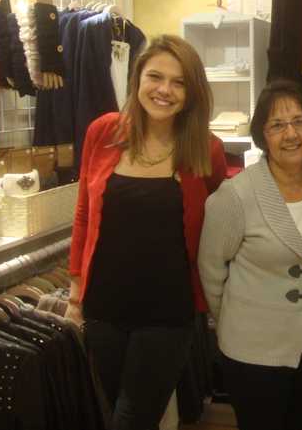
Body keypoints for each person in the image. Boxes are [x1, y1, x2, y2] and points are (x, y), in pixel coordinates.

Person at [65, 34, 227, 430]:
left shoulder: (207, 150)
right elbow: (85, 212)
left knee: (133, 416)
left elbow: (217, 223)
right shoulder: (103, 133)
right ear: (137, 78)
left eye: (179, 82)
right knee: (117, 404)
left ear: (192, 92)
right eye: (156, 76)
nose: (165, 90)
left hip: (168, 312)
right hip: (104, 306)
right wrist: (75, 291)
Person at [198, 79, 302, 430]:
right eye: (277, 125)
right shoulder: (235, 196)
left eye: (300, 121)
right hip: (253, 352)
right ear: (263, 135)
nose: (291, 134)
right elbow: (211, 269)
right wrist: (239, 320)